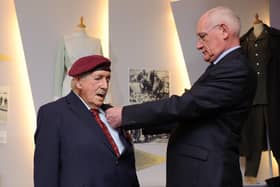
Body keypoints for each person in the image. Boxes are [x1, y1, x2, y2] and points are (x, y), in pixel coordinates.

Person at [106, 6, 257, 187]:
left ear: (224, 31)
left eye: (202, 36)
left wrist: (125, 115)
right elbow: (190, 115)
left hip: (208, 177)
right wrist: (132, 124)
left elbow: (185, 105)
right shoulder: (223, 66)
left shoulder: (235, 69)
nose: (198, 45)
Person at [34, 55, 139, 187]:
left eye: (108, 79)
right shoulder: (53, 113)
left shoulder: (113, 114)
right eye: (98, 78)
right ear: (78, 82)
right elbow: (46, 174)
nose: (105, 85)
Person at [240, 14, 280, 184]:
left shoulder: (276, 39)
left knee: (279, 138)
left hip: (275, 98)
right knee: (252, 143)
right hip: (252, 100)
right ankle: (250, 180)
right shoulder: (242, 42)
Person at [54, 17, 102, 99]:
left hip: (91, 87)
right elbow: (59, 71)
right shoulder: (65, 40)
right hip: (70, 86)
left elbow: (101, 71)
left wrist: (104, 95)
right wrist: (57, 97)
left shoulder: (96, 42)